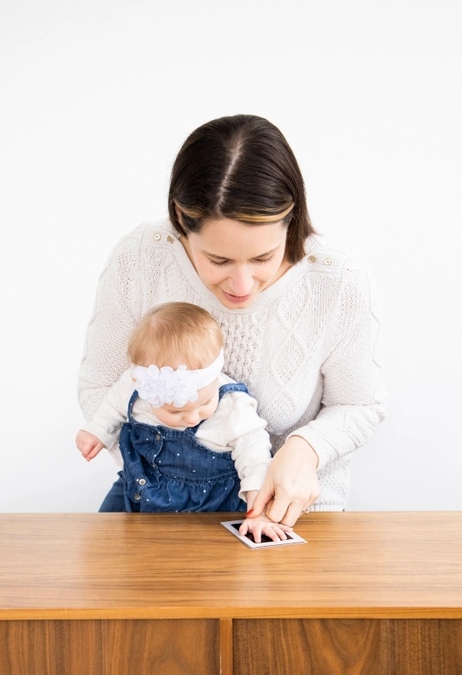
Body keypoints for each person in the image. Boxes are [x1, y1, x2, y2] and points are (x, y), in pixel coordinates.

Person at [78, 114, 386, 527]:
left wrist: (307, 448)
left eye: (262, 258)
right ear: (181, 222)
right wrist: (173, 474)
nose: (241, 285)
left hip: (290, 516)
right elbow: (103, 387)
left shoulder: (337, 279)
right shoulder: (141, 260)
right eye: (218, 260)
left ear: (290, 220)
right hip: (158, 507)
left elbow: (360, 403)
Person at [76, 302, 290, 542]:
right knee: (102, 538)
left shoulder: (233, 407)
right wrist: (97, 431)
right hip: (138, 489)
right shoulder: (135, 384)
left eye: (204, 403)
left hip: (210, 505)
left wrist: (258, 512)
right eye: (175, 412)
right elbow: (113, 405)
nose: (191, 417)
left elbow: (256, 459)